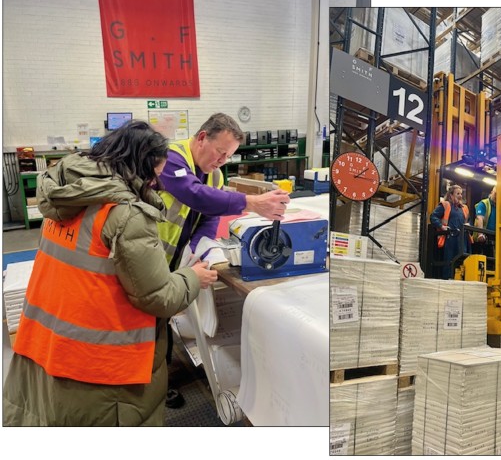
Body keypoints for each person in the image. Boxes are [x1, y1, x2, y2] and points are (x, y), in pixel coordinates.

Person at [2, 121, 218, 426]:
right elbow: (158, 298)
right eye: (153, 177)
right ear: (137, 166)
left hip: (45, 348)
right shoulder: (125, 214)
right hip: (101, 369)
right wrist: (194, 276)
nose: (155, 185)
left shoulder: (65, 198)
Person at [156, 113, 290, 408]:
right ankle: (151, 389)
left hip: (173, 259)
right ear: (202, 138)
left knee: (160, 321)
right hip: (149, 256)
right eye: (220, 152)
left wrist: (209, 253)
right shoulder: (171, 157)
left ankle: (158, 381)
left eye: (228, 156)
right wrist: (251, 202)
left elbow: (207, 219)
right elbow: (193, 195)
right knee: (148, 323)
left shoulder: (215, 175)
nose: (221, 161)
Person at [429, 184, 470, 280]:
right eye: (457, 193)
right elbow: (433, 217)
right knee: (449, 261)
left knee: (462, 261)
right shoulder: (445, 205)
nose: (460, 196)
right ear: (451, 195)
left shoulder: (464, 208)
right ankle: (448, 280)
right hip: (450, 238)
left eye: (461, 194)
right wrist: (441, 226)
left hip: (462, 239)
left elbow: (468, 220)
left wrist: (468, 225)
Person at [473, 187, 496, 259]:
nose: (497, 197)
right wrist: (480, 234)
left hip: (495, 236)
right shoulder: (483, 204)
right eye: (496, 194)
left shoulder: (500, 206)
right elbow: (479, 218)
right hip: (483, 238)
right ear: (491, 192)